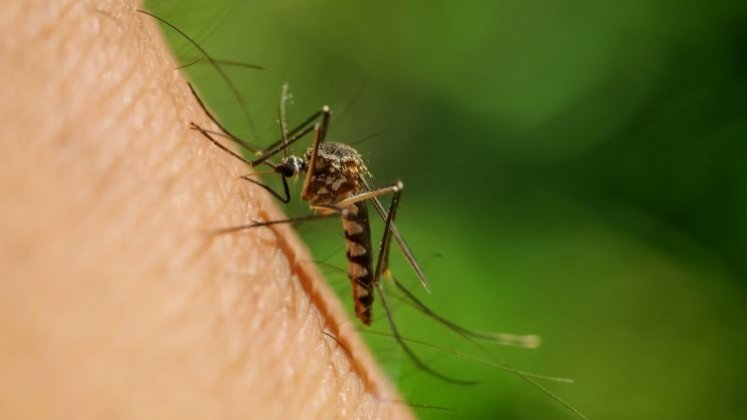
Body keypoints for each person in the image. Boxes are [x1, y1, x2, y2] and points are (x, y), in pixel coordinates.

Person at [0, 1, 411, 418]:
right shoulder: (310, 164)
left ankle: (380, 276)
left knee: (368, 190)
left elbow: (344, 186)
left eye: (290, 167)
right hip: (335, 187)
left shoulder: (325, 173)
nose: (289, 172)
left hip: (351, 212)